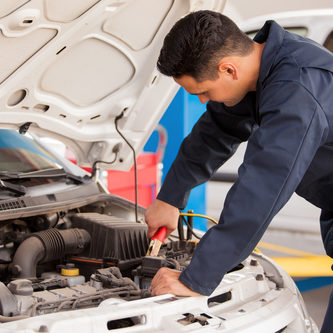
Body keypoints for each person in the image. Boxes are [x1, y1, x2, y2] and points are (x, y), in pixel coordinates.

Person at [144, 10, 333, 331]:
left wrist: (197, 277)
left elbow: (264, 185)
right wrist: (170, 198)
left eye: (202, 91)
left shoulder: (297, 87)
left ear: (228, 68)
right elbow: (215, 131)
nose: (204, 101)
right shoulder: (263, 69)